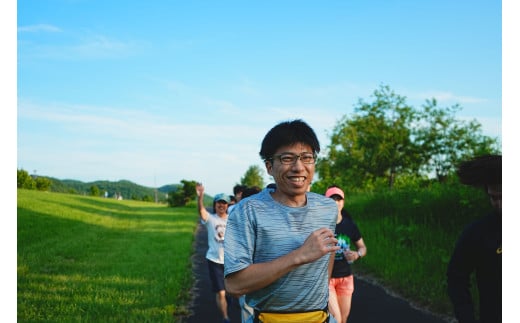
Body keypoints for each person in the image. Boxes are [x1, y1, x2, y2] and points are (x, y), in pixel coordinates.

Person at [224, 119, 340, 323]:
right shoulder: (247, 210)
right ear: (269, 166)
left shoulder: (327, 208)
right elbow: (235, 285)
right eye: (287, 158)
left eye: (307, 158)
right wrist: (300, 255)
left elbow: (327, 258)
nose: (298, 167)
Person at [446, 154, 501, 323]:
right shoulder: (478, 232)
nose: (501, 204)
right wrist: (466, 317)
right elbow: (457, 276)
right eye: (495, 197)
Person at [325, 185, 367, 323]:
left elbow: (362, 247)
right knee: (335, 318)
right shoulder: (321, 224)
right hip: (327, 279)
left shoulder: (349, 225)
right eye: (332, 199)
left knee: (343, 319)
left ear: (343, 202)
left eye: (339, 199)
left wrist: (357, 254)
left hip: (346, 278)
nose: (336, 203)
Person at [196, 183, 232, 323]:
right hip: (214, 260)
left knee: (229, 291)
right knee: (221, 292)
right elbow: (201, 211)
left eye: (224, 203)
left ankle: (227, 304)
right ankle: (225, 317)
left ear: (227, 205)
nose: (221, 205)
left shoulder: (232, 220)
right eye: (219, 203)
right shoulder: (210, 219)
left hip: (229, 261)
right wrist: (200, 197)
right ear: (215, 204)